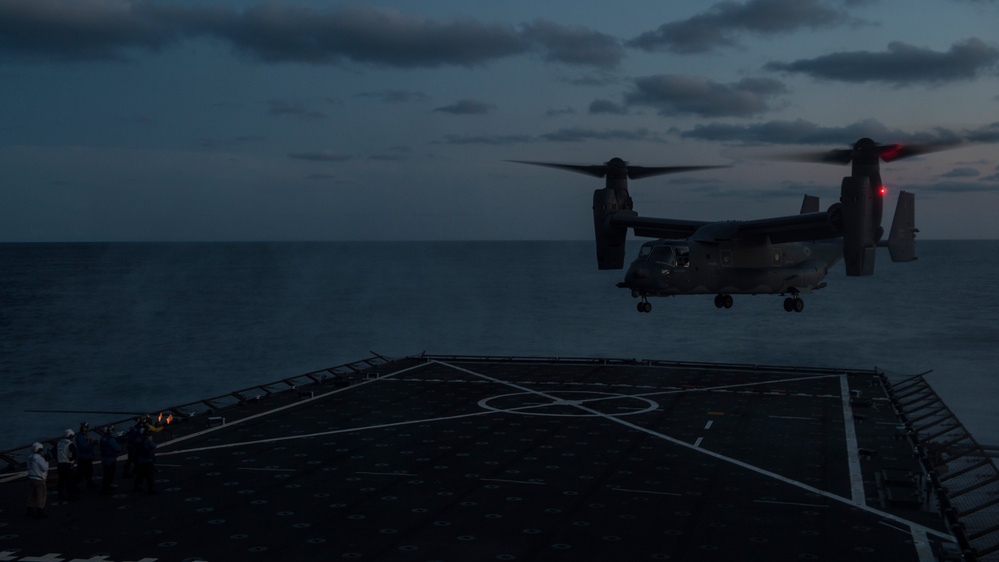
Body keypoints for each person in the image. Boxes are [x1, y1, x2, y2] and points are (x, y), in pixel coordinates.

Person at [26, 442, 49, 518]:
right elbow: (44, 468)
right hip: (39, 479)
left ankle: (29, 509)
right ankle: (40, 510)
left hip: (31, 478)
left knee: (32, 494)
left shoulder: (29, 457)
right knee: (41, 495)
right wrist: (47, 461)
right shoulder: (39, 458)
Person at [99, 425, 123, 496]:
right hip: (111, 459)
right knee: (109, 475)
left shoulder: (102, 438)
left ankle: (106, 487)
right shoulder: (111, 439)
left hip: (104, 458)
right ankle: (105, 489)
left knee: (106, 474)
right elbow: (117, 449)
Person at [132, 428, 157, 494]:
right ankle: (150, 489)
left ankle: (136, 486)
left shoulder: (138, 439)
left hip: (139, 459)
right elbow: (154, 446)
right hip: (147, 459)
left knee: (140, 474)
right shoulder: (147, 440)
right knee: (149, 475)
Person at [55, 429, 77, 502]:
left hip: (60, 464)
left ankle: (60, 494)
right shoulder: (70, 444)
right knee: (70, 480)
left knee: (61, 480)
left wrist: (58, 458)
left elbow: (54, 451)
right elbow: (75, 453)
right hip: (67, 464)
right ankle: (70, 495)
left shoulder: (59, 443)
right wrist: (71, 459)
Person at [75, 422, 98, 489]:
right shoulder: (80, 436)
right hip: (83, 457)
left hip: (88, 456)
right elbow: (84, 447)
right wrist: (89, 441)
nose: (87, 428)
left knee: (89, 471)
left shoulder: (84, 435)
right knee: (80, 473)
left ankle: (89, 483)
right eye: (86, 427)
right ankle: (75, 487)